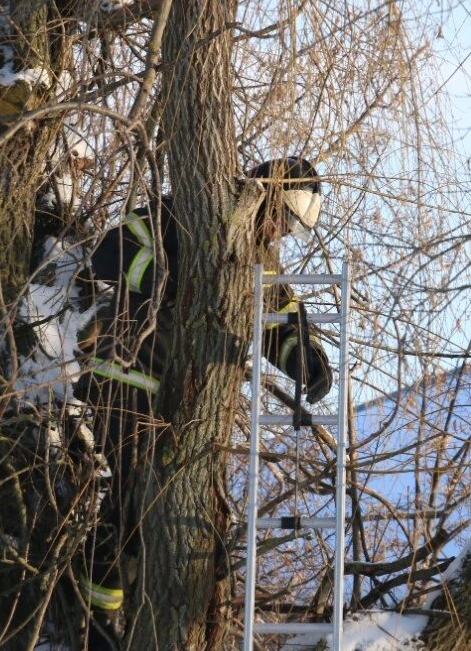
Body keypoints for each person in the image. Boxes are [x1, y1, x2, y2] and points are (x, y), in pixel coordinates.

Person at [74, 157, 333, 651]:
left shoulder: (260, 259)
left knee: (159, 510)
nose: (281, 230)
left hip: (180, 397)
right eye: (283, 216)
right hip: (127, 375)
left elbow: (279, 318)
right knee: (130, 499)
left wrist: (308, 359)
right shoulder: (187, 213)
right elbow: (109, 254)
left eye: (291, 226)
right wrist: (176, 280)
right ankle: (94, 622)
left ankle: (120, 614)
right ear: (266, 194)